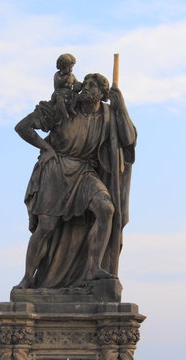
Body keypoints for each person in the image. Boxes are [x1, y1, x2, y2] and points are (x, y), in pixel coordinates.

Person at [15, 73, 137, 289]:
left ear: (103, 93)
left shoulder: (108, 115)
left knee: (106, 208)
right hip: (56, 169)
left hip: (84, 171)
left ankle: (93, 267)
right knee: (46, 226)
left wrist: (121, 106)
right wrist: (46, 148)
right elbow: (23, 127)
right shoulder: (63, 107)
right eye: (86, 84)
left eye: (93, 85)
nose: (86, 88)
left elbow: (127, 140)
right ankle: (27, 278)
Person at [51, 53, 82, 120]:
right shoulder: (57, 75)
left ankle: (71, 107)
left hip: (69, 93)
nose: (70, 69)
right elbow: (58, 82)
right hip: (59, 93)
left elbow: (76, 82)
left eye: (71, 67)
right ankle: (65, 114)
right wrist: (65, 78)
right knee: (60, 100)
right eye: (69, 67)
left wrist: (79, 85)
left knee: (76, 96)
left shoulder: (72, 76)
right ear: (63, 67)